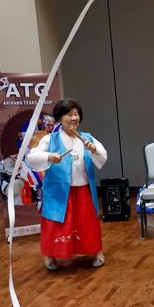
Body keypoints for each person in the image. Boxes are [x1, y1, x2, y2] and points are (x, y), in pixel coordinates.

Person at [26, 99, 108, 270]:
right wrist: (49, 157)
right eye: (69, 114)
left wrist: (93, 150)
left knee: (87, 222)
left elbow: (102, 158)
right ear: (60, 118)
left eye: (76, 114)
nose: (74, 118)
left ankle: (96, 251)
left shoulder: (87, 138)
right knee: (56, 222)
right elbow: (32, 158)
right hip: (59, 192)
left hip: (83, 189)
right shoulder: (50, 139)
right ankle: (51, 256)